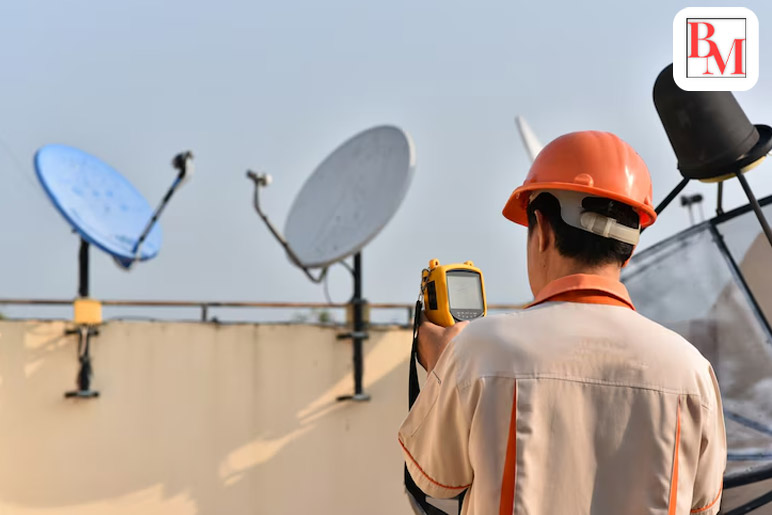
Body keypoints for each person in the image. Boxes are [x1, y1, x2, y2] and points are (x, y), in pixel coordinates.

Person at [399, 131, 726, 515]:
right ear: (631, 245)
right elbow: (703, 504)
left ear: (543, 230)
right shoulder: (691, 371)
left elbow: (435, 478)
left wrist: (444, 366)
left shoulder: (479, 352)